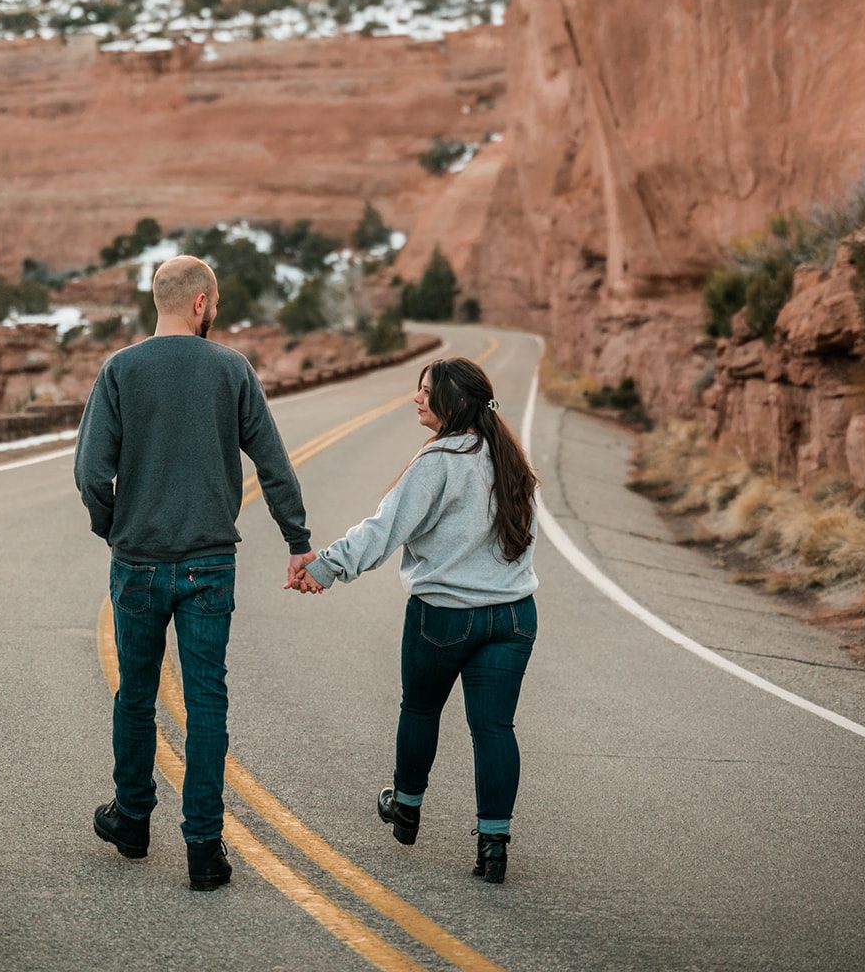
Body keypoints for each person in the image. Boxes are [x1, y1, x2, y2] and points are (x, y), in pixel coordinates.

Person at [74, 254, 313, 892]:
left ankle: (131, 819)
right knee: (207, 701)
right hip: (211, 563)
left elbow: (91, 472)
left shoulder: (120, 370)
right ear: (203, 302)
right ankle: (205, 850)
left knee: (136, 695)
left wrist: (114, 527)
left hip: (140, 562)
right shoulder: (231, 369)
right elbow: (273, 462)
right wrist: (298, 539)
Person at [288, 356, 538, 884]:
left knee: (420, 710)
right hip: (514, 616)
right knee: (494, 728)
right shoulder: (510, 457)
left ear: (452, 399)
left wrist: (327, 568)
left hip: (444, 617)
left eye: (426, 391)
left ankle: (405, 807)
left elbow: (384, 530)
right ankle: (493, 846)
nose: (416, 398)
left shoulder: (438, 461)